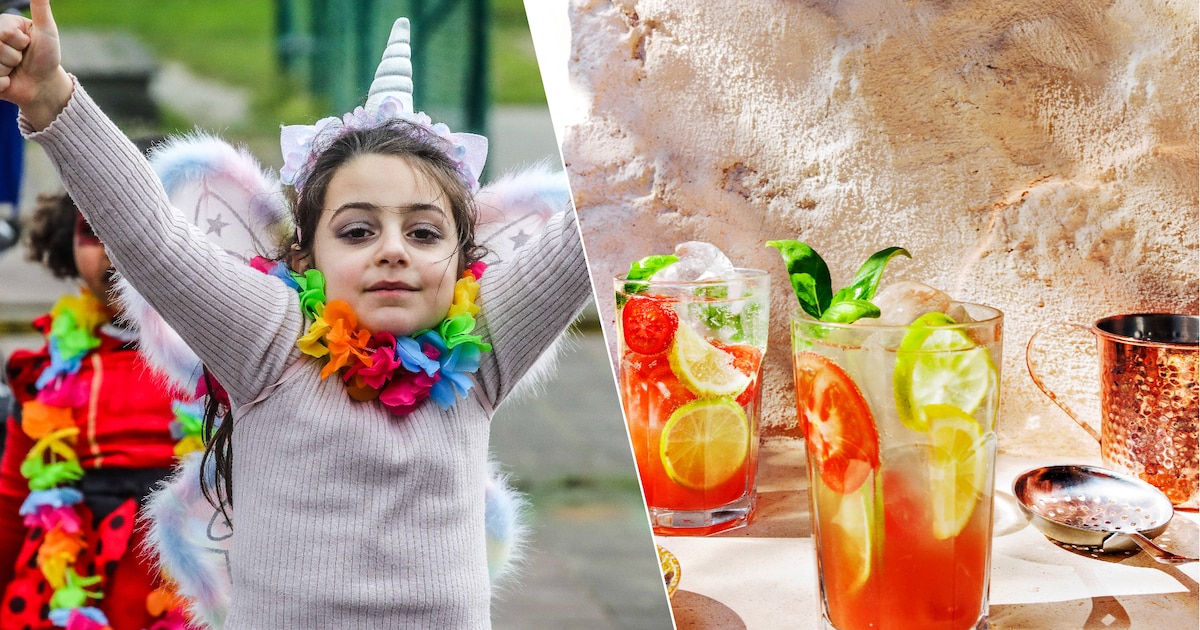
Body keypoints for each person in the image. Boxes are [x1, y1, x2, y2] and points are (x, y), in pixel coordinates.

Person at [0, 2, 591, 628]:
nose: (393, 248)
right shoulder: (269, 337)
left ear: (464, 259)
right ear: (307, 255)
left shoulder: (483, 348)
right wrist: (51, 100)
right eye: (358, 230)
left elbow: (591, 220)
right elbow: (153, 236)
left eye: (423, 232)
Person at [0, 193, 188, 629]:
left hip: (192, 590)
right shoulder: (48, 370)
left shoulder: (233, 360)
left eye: (146, 226)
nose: (118, 245)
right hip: (69, 593)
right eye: (95, 231)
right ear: (68, 239)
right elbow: (12, 501)